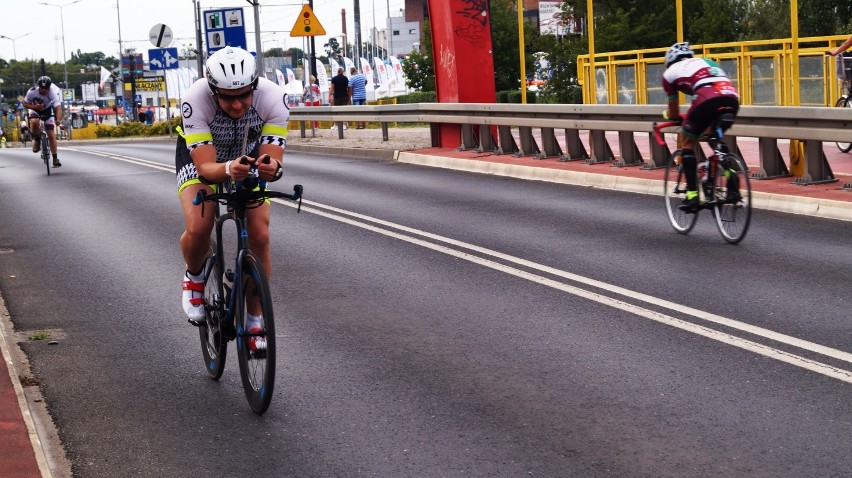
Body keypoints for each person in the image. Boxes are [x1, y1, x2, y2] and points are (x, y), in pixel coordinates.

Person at [175, 46, 289, 353]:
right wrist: (227, 169)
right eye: (228, 97)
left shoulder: (274, 98)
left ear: (254, 86)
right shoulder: (194, 100)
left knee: (260, 235)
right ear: (213, 91)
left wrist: (270, 167)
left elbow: (273, 161)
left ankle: (254, 321)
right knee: (200, 225)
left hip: (247, 156)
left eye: (244, 95)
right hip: (203, 158)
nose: (238, 104)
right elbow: (206, 169)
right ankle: (194, 276)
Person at [662, 42, 740, 212]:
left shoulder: (669, 74)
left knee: (687, 142)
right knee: (712, 135)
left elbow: (674, 113)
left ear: (670, 62)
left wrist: (670, 116)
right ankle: (731, 178)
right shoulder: (707, 62)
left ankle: (692, 196)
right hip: (731, 98)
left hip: (707, 98)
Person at [23, 76, 62, 167]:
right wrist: (35, 107)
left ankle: (55, 158)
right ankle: (37, 140)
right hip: (34, 109)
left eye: (46, 88)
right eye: (42, 88)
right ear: (39, 86)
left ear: (49, 87)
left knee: (51, 134)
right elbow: (25, 104)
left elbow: (58, 108)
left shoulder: (52, 93)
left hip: (47, 110)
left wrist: (58, 119)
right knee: (34, 121)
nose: (44, 90)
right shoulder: (32, 92)